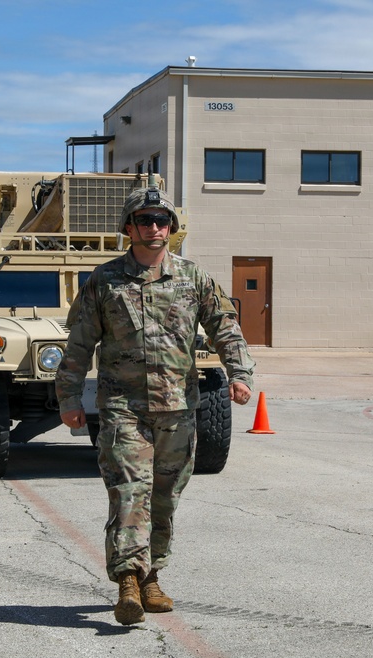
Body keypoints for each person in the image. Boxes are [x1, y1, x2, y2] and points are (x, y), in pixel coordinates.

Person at [55, 182, 255, 626]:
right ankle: (128, 578)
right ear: (129, 228)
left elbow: (226, 328)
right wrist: (68, 396)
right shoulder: (104, 281)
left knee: (164, 497)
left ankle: (152, 578)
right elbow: (78, 344)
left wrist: (240, 375)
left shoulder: (194, 278)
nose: (153, 227)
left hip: (178, 409)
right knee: (130, 489)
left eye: (161, 220)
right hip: (123, 407)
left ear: (171, 228)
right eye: (144, 221)